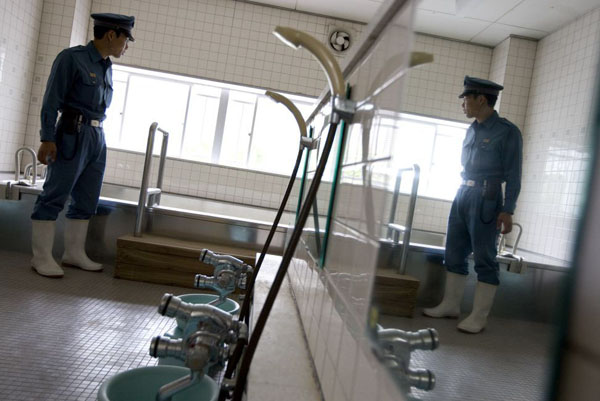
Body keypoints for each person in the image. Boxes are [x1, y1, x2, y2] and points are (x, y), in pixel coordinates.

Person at [30, 13, 135, 278]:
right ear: (111, 35)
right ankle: (41, 257)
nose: (127, 45)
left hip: (97, 137)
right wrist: (47, 137)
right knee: (54, 195)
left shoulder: (105, 65)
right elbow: (51, 100)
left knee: (87, 198)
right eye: (126, 39)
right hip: (71, 133)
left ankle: (73, 253)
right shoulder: (71, 58)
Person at [423, 76, 523, 334]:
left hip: (487, 198)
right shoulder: (472, 129)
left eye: (466, 99)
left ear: (481, 99)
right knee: (453, 252)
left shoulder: (507, 132)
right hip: (462, 194)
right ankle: (451, 305)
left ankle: (479, 317)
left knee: (484, 258)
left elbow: (513, 175)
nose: (463, 104)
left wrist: (507, 210)